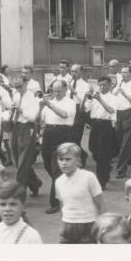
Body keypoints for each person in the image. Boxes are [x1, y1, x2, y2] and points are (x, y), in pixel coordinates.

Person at [38, 80, 76, 214]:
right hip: (48, 133)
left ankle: (54, 203)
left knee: (55, 170)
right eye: (54, 90)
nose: (56, 93)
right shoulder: (50, 102)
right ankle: (64, 184)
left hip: (62, 134)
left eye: (59, 91)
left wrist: (49, 104)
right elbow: (41, 119)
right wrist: (41, 105)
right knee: (48, 165)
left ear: (66, 90)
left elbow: (64, 114)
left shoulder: (70, 102)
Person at [55, 143, 104, 243]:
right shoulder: (58, 181)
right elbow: (62, 204)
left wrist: (103, 224)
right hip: (68, 224)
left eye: (68, 159)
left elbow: (100, 202)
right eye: (61, 159)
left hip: (88, 223)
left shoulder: (88, 177)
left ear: (77, 160)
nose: (64, 163)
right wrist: (63, 223)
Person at [10, 76, 43, 196]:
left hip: (27, 129)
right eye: (16, 86)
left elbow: (34, 118)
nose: (18, 88)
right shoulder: (16, 95)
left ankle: (19, 193)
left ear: (26, 83)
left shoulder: (32, 98)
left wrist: (21, 110)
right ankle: (35, 182)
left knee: (23, 162)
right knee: (18, 162)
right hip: (16, 128)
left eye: (20, 86)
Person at [85, 76, 118, 188]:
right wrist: (88, 98)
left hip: (106, 125)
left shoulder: (113, 97)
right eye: (100, 85)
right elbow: (86, 109)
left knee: (102, 154)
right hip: (95, 124)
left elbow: (111, 110)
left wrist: (100, 99)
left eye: (104, 85)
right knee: (93, 149)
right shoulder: (95, 96)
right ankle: (106, 168)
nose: (102, 87)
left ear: (110, 85)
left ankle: (101, 181)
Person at [112, 66, 131, 178]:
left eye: (125, 72)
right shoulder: (117, 86)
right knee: (120, 143)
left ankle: (121, 169)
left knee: (126, 143)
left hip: (130, 114)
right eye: (122, 72)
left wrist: (124, 94)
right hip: (118, 115)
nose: (123, 74)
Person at [68, 64, 92, 166]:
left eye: (75, 71)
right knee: (69, 137)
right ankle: (81, 155)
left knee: (76, 137)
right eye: (72, 71)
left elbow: (84, 100)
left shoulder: (84, 85)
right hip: (70, 110)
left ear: (81, 72)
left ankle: (81, 157)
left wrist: (74, 91)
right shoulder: (69, 83)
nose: (73, 74)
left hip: (79, 111)